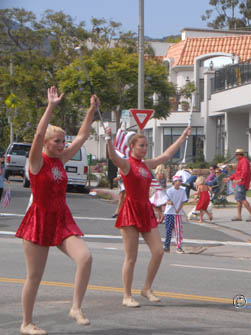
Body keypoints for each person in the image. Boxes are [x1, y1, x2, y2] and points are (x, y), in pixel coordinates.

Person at [15, 88, 97, 334]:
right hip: (39, 218)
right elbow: (39, 134)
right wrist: (50, 106)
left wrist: (91, 110)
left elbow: (82, 136)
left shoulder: (61, 160)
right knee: (35, 276)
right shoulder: (37, 162)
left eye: (63, 141)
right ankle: (26, 323)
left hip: (61, 218)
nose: (62, 145)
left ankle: (75, 307)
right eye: (57, 141)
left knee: (85, 258)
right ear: (47, 144)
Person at [105, 124, 190, 308]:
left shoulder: (146, 165)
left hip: (145, 209)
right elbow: (112, 157)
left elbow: (166, 156)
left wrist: (182, 138)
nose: (144, 149)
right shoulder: (127, 164)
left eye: (145, 146)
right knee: (131, 257)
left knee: (158, 251)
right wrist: (108, 139)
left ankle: (146, 288)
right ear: (132, 147)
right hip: (130, 210)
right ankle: (127, 295)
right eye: (141, 145)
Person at [224, 148, 251, 222]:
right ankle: (239, 216)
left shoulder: (244, 161)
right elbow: (237, 173)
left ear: (239, 155)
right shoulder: (241, 161)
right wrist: (229, 178)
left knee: (242, 198)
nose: (235, 156)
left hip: (241, 183)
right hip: (239, 182)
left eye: (236, 155)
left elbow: (244, 172)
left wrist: (241, 179)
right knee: (239, 199)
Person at [164, 176, 189, 253]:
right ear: (174, 182)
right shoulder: (169, 191)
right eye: (178, 181)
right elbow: (166, 201)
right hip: (169, 213)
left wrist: (179, 209)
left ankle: (178, 246)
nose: (179, 182)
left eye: (180, 181)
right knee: (169, 230)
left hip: (178, 213)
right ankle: (167, 246)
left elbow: (183, 201)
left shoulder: (182, 191)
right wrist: (169, 202)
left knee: (178, 230)